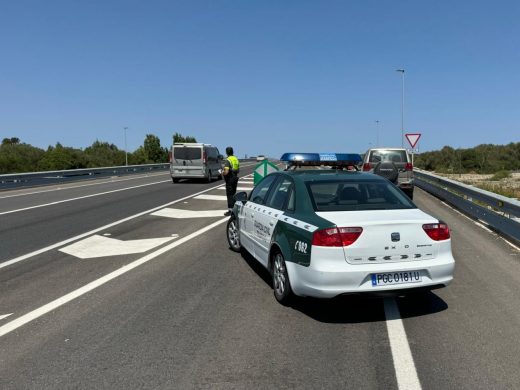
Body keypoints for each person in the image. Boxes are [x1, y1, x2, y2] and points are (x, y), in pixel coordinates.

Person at [222, 146, 240, 216]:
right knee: (234, 194)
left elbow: (226, 172)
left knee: (229, 195)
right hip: (235, 178)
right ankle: (234, 209)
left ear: (226, 152)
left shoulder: (228, 160)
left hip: (229, 179)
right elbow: (238, 170)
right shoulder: (236, 159)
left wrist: (222, 172)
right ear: (233, 152)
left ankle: (230, 210)